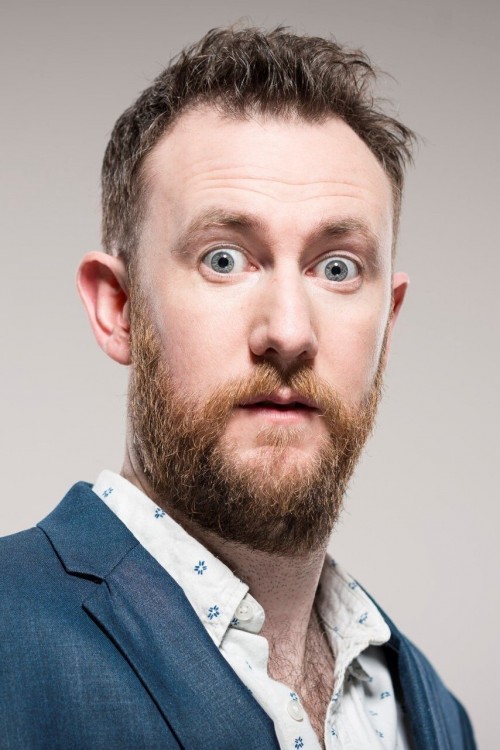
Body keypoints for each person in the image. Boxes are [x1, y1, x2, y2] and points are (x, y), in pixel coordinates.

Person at [0, 26, 475, 750]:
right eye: (224, 259)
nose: (289, 331)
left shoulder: (430, 711)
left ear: (388, 320)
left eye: (338, 268)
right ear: (118, 308)